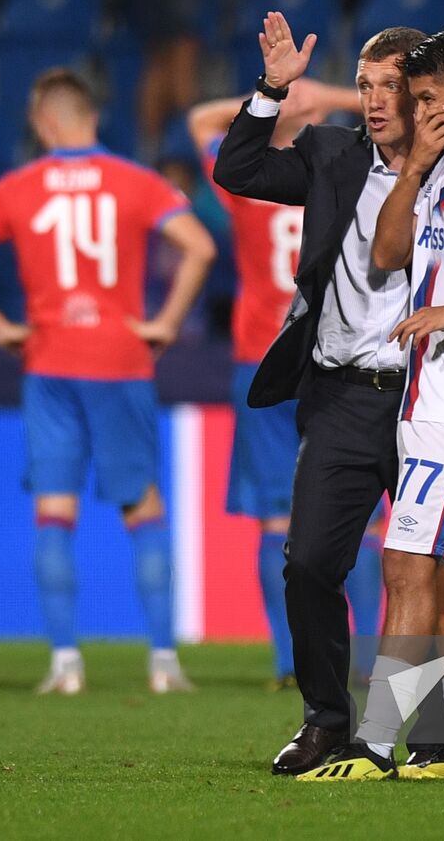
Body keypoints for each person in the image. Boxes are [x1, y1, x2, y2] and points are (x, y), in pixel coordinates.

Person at [211, 12, 444, 776]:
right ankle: (327, 721)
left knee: (439, 573)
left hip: (432, 392)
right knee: (311, 563)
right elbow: (236, 170)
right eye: (363, 86)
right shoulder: (331, 156)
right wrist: (272, 89)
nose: (374, 101)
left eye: (388, 87)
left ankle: (442, 739)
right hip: (347, 396)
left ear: (423, 96)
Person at [0, 68, 216, 695]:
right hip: (119, 360)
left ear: (45, 121)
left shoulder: (20, 186)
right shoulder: (134, 182)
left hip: (50, 361)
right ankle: (164, 663)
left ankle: (65, 663)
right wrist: (165, 321)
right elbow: (199, 244)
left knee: (54, 514)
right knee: (142, 508)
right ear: (91, 116)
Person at [187, 78, 375, 690]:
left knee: (275, 518)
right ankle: (366, 656)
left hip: (263, 357)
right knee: (364, 517)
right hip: (333, 350)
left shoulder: (252, 185)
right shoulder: (348, 174)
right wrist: (330, 96)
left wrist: (272, 95)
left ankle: (287, 661)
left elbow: (198, 121)